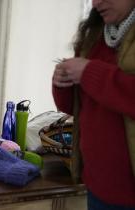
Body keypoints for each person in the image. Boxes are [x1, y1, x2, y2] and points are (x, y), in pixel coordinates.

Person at [52, 0, 135, 209]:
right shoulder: (95, 35)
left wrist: (90, 73)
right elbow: (78, 108)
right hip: (99, 186)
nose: (96, 2)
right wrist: (63, 83)